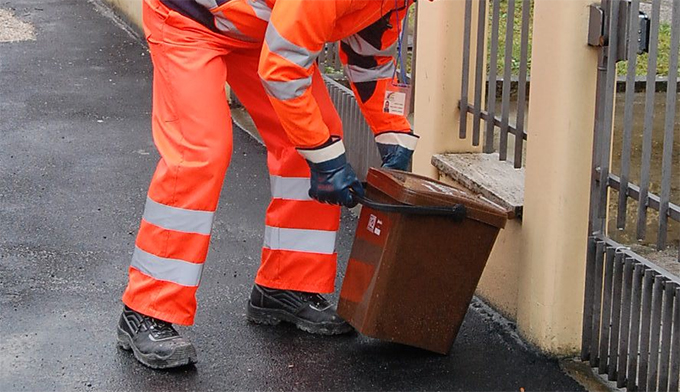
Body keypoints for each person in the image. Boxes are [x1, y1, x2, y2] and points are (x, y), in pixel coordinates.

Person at [116, 0, 419, 369]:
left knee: (314, 133)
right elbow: (282, 71)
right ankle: (145, 310)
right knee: (201, 152)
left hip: (263, 34)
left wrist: (394, 135)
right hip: (188, 18)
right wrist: (325, 158)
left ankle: (286, 284)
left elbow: (373, 62)